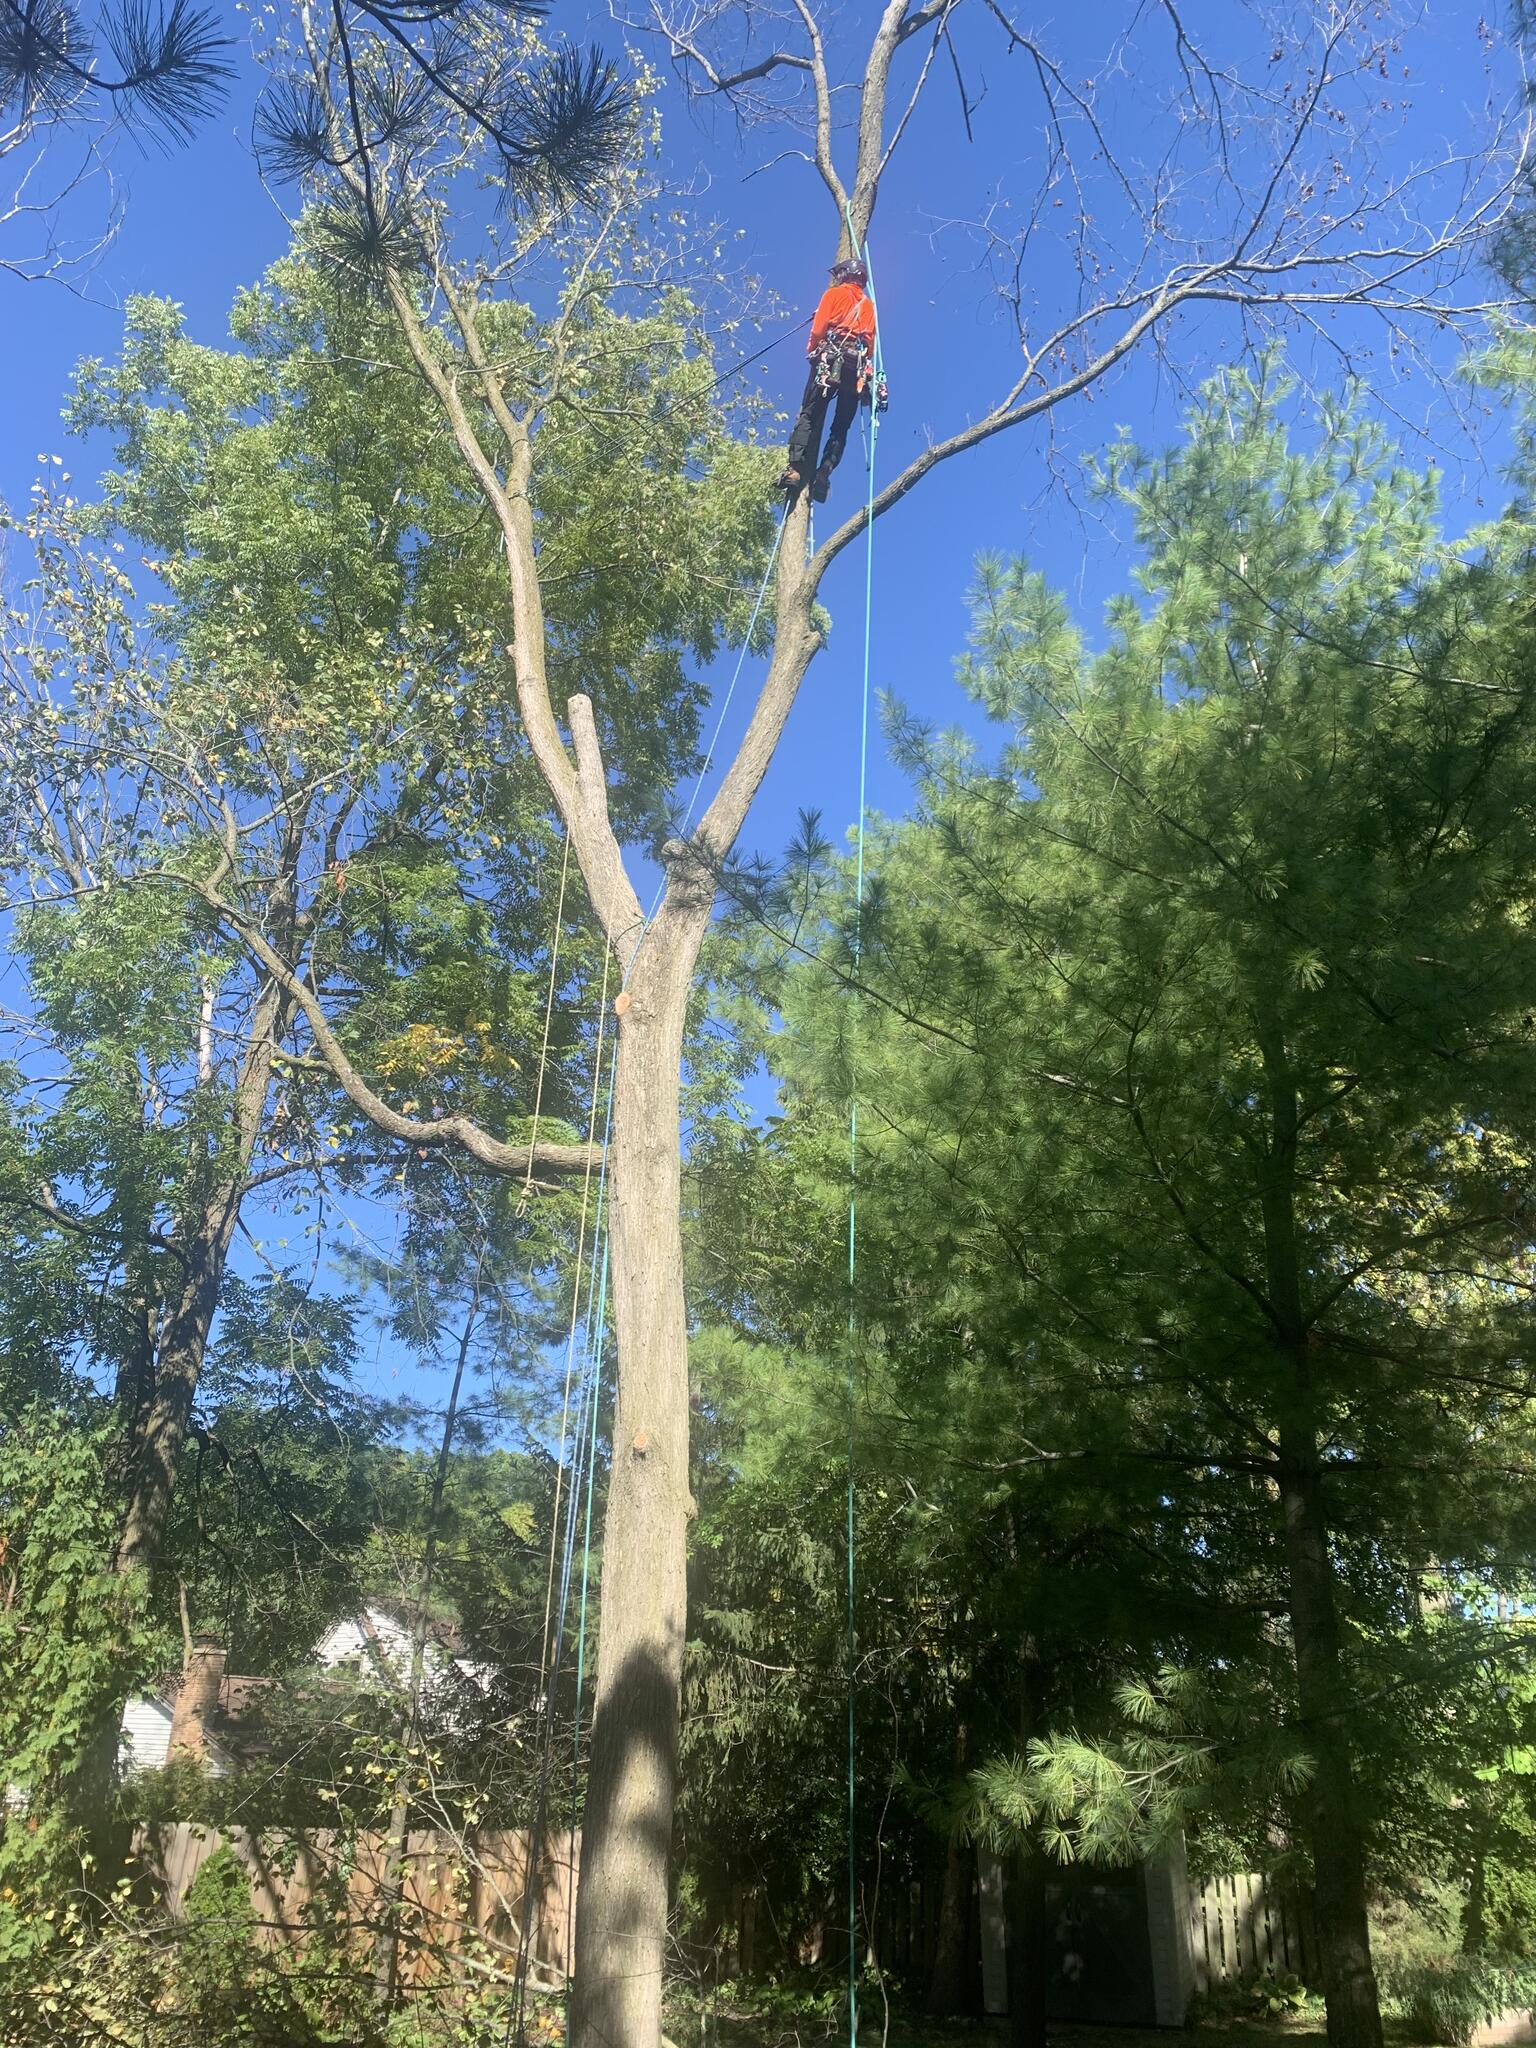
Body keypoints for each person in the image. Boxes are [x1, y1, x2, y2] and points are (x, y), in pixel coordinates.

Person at [779, 256, 884, 503]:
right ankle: (825, 469)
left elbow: (818, 329)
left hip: (829, 359)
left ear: (845, 274)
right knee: (841, 425)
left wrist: (812, 349)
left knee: (809, 413)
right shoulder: (868, 306)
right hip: (854, 367)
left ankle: (794, 469)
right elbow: (869, 345)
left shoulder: (833, 295)